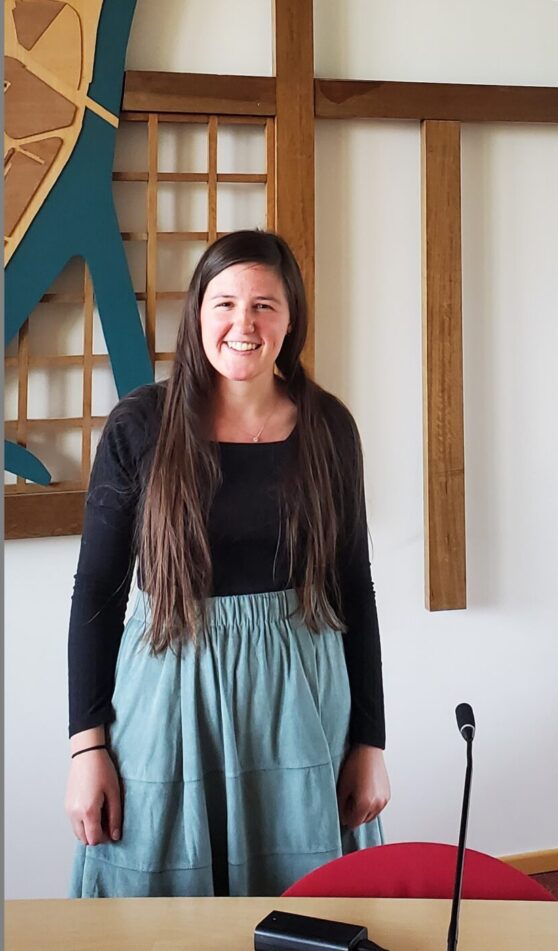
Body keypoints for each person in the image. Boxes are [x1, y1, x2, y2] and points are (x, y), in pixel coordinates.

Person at [65, 229, 390, 897]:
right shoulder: (139, 426)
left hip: (301, 700)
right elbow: (97, 591)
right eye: (226, 304)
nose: (244, 323)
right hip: (166, 694)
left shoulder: (329, 427)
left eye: (265, 305)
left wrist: (371, 741)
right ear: (198, 314)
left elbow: (354, 587)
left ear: (291, 318)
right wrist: (86, 746)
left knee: (308, 904)